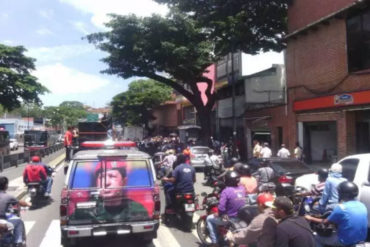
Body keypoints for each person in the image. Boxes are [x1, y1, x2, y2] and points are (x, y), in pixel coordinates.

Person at [71, 161, 148, 221]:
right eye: (101, 177)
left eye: (112, 176)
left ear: (124, 182)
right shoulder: (84, 211)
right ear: (96, 183)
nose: (106, 182)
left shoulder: (137, 209)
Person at [305, 181, 368, 247]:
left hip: (345, 241)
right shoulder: (362, 205)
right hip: (361, 240)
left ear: (342, 194)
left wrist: (310, 218)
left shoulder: (341, 208)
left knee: (317, 238)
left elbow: (325, 222)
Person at [206, 171, 246, 246]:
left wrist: (219, 214)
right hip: (241, 217)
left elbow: (221, 207)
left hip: (231, 219)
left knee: (209, 218)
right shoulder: (242, 188)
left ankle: (215, 242)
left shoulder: (226, 191)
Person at [0, 176, 31, 247]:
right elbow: (21, 203)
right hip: (2, 222)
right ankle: (18, 242)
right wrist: (28, 204)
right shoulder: (8, 196)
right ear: (6, 186)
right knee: (18, 221)